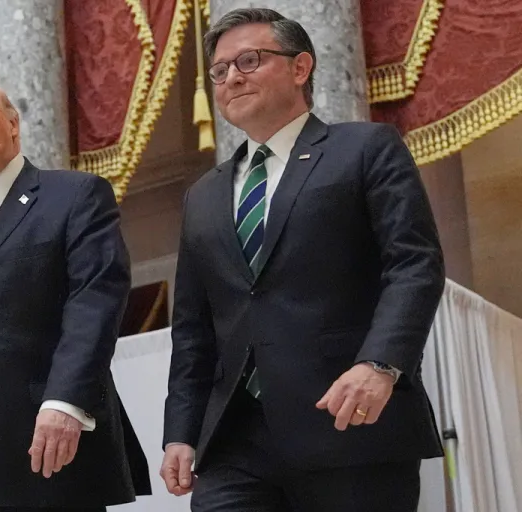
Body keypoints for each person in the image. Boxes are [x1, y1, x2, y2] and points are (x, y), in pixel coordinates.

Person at [160, 8, 445, 512]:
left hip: (346, 418)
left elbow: (413, 264)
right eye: (220, 70)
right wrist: (181, 432)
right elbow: (194, 328)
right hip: (235, 439)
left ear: (300, 67)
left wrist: (381, 363)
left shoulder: (364, 149)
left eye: (249, 59)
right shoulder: (202, 196)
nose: (232, 77)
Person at [0, 69, 151, 511]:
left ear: (13, 123)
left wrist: (66, 401)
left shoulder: (76, 195)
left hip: (45, 447)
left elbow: (95, 301)